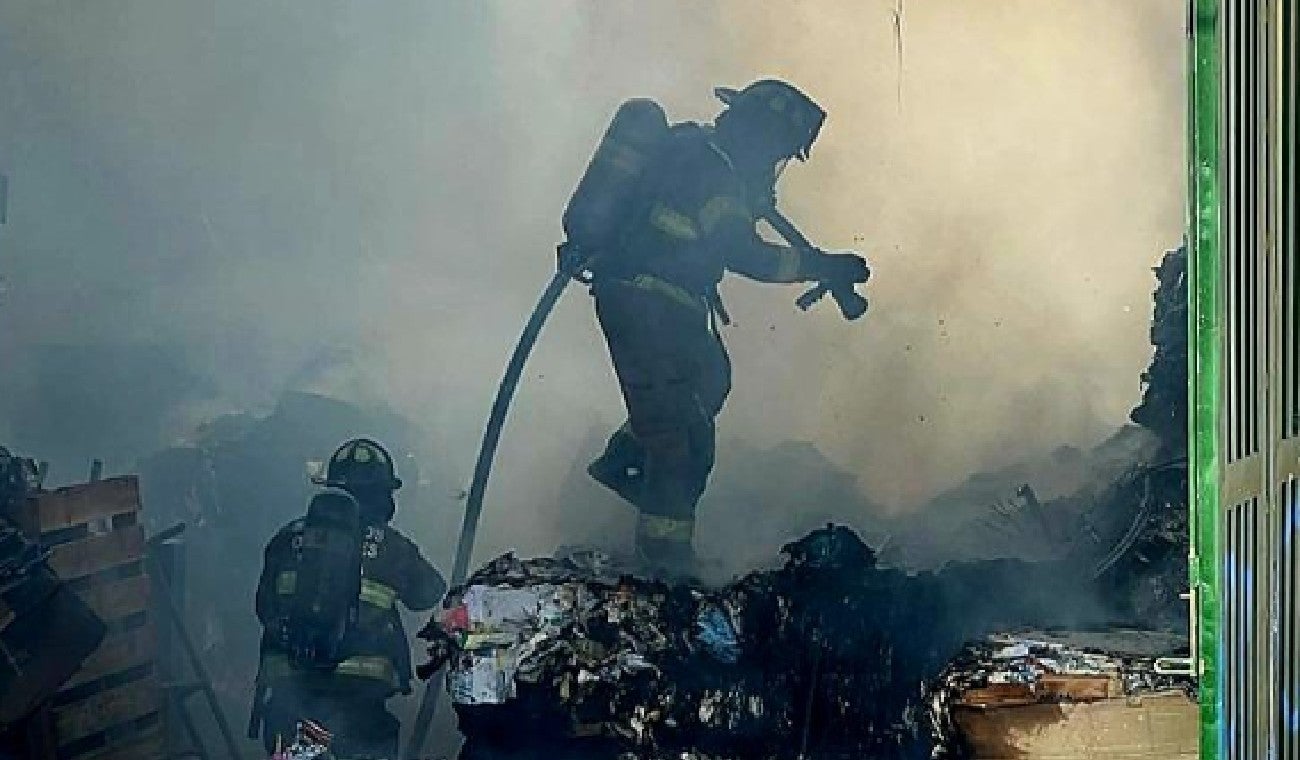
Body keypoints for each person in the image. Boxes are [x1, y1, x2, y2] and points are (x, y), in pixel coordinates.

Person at [578, 80, 869, 569]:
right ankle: (665, 565)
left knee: (713, 377)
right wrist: (821, 266)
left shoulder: (707, 162)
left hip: (670, 306)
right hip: (646, 301)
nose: (773, 169)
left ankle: (625, 462)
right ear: (758, 137)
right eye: (776, 154)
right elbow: (743, 254)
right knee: (682, 443)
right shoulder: (709, 168)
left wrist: (818, 261)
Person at [251, 438, 445, 758]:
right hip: (359, 699)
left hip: (289, 692)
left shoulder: (285, 539)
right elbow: (429, 592)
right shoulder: (391, 546)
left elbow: (263, 606)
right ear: (382, 495)